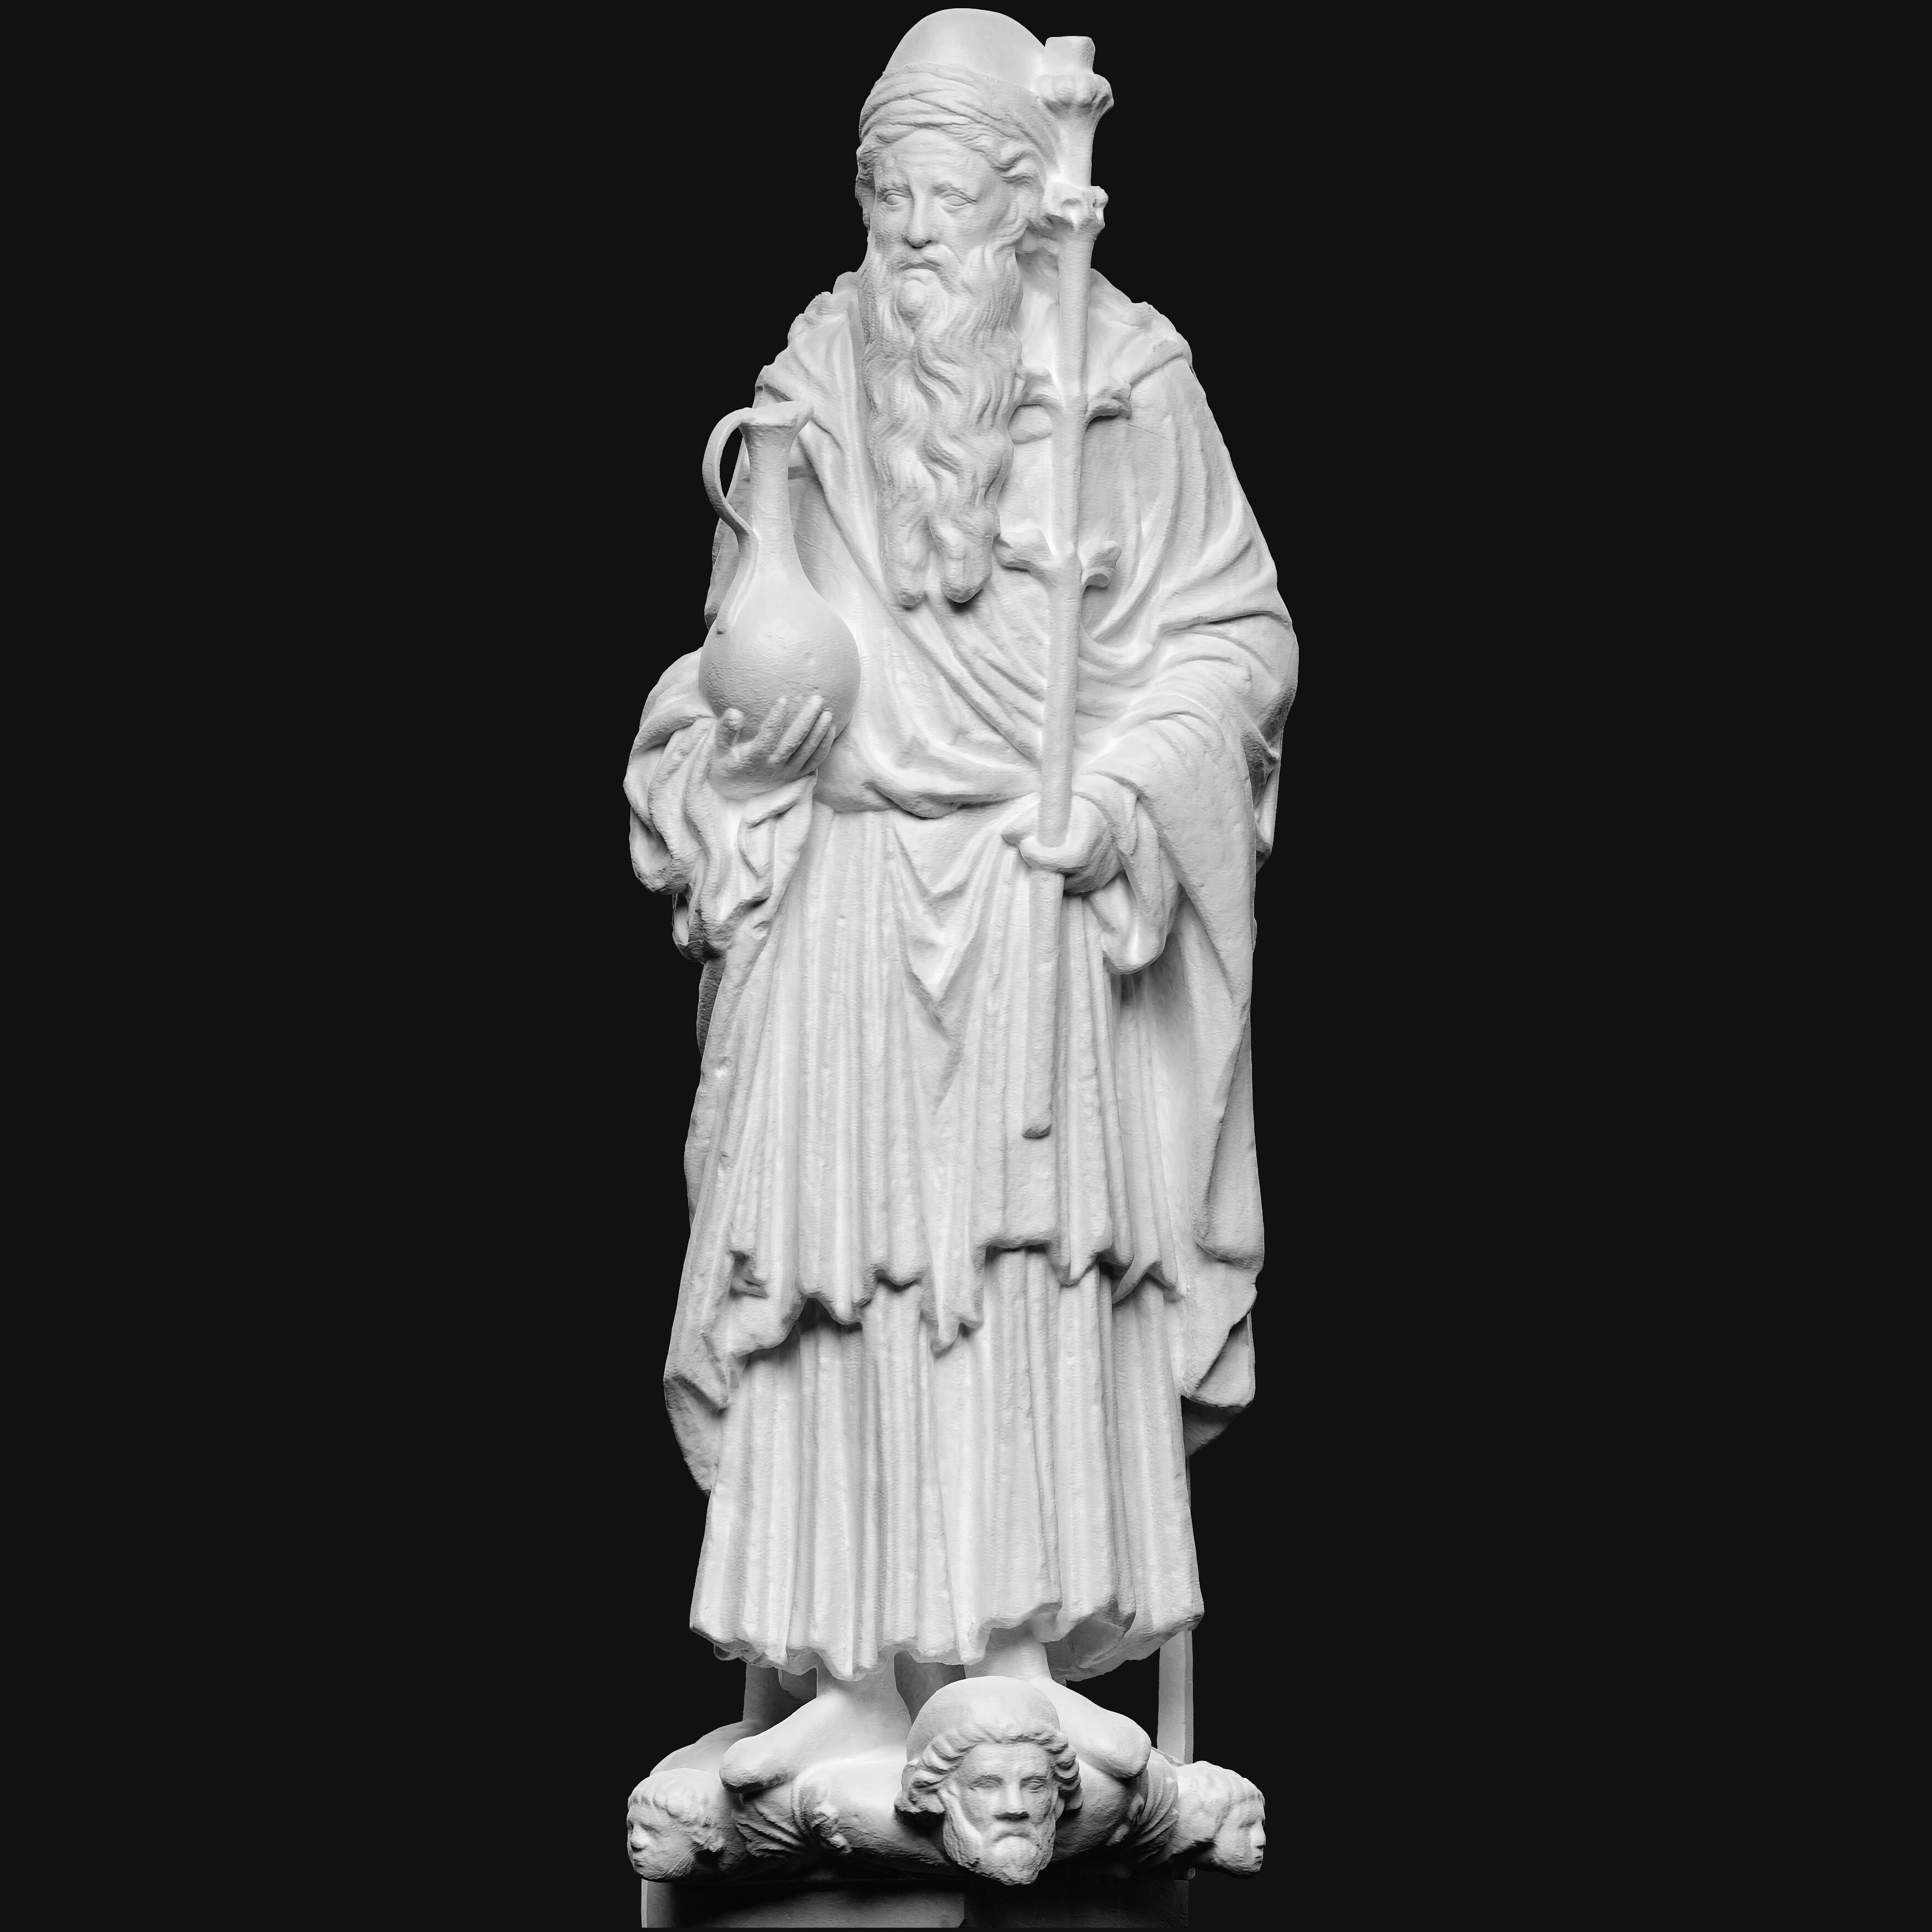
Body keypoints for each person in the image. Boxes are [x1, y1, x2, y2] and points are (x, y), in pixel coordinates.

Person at [628, 9, 1296, 1794]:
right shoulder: (809, 378)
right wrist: (739, 734)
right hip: (852, 886)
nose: (916, 233)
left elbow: (1235, 642)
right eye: (888, 196)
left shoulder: (1124, 377)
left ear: (1023, 199)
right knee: (837, 1281)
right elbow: (738, 651)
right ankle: (848, 1676)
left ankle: (1010, 1659)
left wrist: (1128, 792)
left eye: (949, 196)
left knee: (1014, 1269)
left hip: (1024, 892)